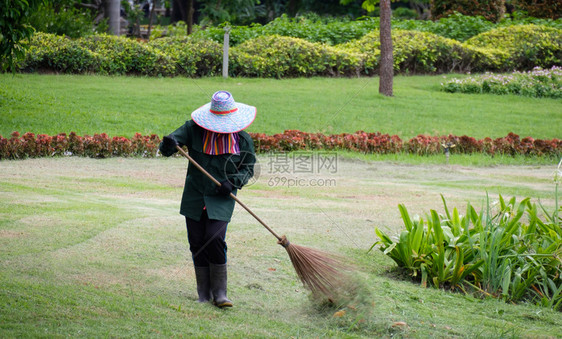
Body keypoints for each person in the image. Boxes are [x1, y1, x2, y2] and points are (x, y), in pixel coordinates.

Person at [159, 91, 256, 308]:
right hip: (195, 194)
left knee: (214, 237)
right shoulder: (193, 129)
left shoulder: (242, 139)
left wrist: (234, 182)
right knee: (196, 242)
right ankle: (203, 293)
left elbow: (249, 168)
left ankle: (220, 293)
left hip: (222, 196)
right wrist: (168, 143)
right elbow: (167, 148)